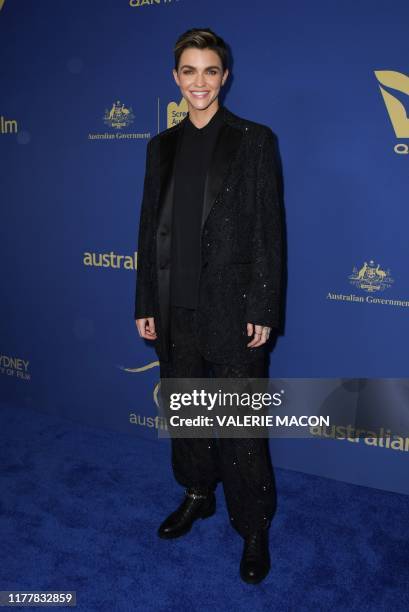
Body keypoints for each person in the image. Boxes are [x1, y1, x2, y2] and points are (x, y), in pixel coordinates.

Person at [134, 27, 283, 585]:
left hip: (233, 307)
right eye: (189, 71)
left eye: (211, 71)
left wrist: (264, 309)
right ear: (176, 78)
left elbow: (270, 232)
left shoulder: (254, 140)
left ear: (225, 76)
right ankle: (198, 493)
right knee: (189, 418)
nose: (200, 82)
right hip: (175, 311)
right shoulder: (159, 147)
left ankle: (253, 525)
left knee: (241, 428)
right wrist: (146, 299)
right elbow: (149, 231)